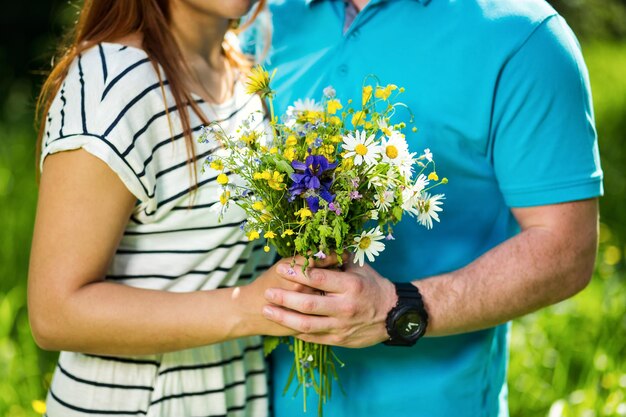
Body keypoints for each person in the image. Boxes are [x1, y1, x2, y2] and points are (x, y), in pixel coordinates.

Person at [242, 0, 603, 415]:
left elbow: (567, 248)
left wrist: (398, 308)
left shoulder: (525, 35)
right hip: (259, 401)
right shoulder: (261, 20)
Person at [26, 1, 329, 415]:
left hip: (231, 397)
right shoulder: (112, 81)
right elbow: (55, 313)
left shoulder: (242, 72)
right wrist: (251, 307)